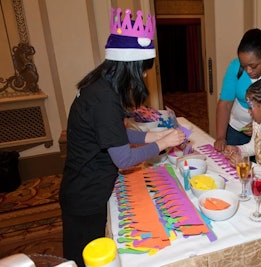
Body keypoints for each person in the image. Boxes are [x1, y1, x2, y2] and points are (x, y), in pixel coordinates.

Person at [59, 8, 186, 267]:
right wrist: (163, 143)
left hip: (83, 189)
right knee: (84, 260)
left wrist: (152, 134)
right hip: (86, 196)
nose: (145, 76)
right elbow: (124, 158)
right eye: (143, 70)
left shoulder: (99, 86)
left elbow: (110, 134)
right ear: (130, 65)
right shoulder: (104, 100)